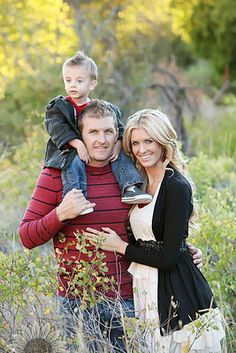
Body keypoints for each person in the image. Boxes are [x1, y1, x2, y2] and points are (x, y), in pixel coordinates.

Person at [19, 100, 203, 353]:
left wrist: (181, 248)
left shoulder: (133, 175)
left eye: (108, 132)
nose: (102, 140)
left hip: (129, 297)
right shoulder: (56, 174)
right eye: (93, 132)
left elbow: (148, 226)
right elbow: (26, 237)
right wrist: (60, 213)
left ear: (117, 133)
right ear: (80, 136)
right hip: (75, 299)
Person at [86, 108, 225, 352]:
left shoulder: (176, 186)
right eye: (136, 143)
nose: (142, 149)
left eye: (148, 141)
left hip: (178, 294)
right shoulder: (136, 184)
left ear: (163, 142)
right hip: (146, 289)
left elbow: (169, 258)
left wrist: (120, 247)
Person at [44, 50, 152, 215]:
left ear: (92, 84)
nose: (72, 85)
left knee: (120, 154)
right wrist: (77, 143)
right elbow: (56, 128)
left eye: (79, 80)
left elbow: (119, 127)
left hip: (97, 149)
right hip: (68, 149)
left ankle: (130, 187)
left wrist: (117, 143)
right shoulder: (59, 107)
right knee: (73, 162)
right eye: (68, 80)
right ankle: (75, 197)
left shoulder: (102, 108)